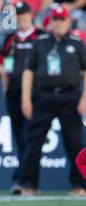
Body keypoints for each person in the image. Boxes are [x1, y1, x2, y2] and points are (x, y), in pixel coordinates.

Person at [19, 5, 86, 196]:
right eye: (55, 20)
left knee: (75, 143)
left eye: (62, 19)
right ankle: (29, 184)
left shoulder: (77, 43)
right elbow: (28, 72)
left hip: (70, 97)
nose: (58, 23)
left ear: (68, 21)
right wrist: (26, 99)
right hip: (43, 97)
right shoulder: (40, 43)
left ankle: (79, 185)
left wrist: (84, 97)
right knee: (33, 142)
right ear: (50, 22)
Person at [2, 1, 45, 194]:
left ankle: (24, 180)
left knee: (31, 139)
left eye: (24, 14)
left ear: (31, 14)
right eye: (18, 15)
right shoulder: (11, 39)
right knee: (21, 139)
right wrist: (5, 88)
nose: (21, 18)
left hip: (35, 96)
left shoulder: (40, 36)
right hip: (13, 95)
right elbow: (5, 67)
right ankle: (25, 180)